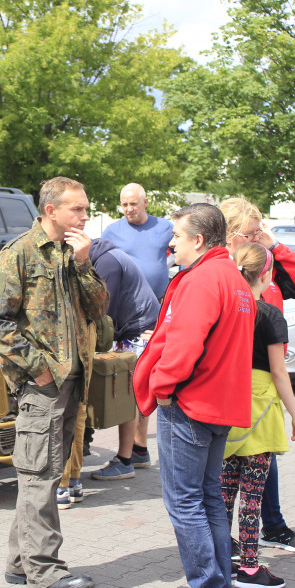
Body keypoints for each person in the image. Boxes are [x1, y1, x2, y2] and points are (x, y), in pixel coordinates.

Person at [0, 176, 108, 588]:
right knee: (39, 475)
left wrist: (84, 264)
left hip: (74, 382)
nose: (85, 216)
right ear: (51, 210)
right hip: (42, 387)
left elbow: (98, 308)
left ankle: (20, 562)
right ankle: (46, 575)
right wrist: (38, 373)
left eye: (86, 208)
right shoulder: (18, 254)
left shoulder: (72, 255)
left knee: (45, 474)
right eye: (77, 209)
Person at [133, 203, 254, 588]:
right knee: (208, 499)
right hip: (219, 405)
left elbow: (184, 346)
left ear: (198, 240)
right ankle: (218, 584)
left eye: (178, 237)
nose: (171, 243)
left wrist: (162, 388)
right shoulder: (233, 278)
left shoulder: (203, 279)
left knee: (185, 502)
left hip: (191, 404)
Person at [220, 195, 295, 554]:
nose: (257, 238)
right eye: (251, 233)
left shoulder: (263, 264)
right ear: (231, 235)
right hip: (241, 382)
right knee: (234, 470)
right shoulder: (225, 274)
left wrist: (273, 243)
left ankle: (269, 527)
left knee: (261, 458)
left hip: (264, 381)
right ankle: (240, 544)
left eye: (260, 232)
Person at [56, 238, 159, 508]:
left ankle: (125, 460)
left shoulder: (106, 263)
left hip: (136, 328)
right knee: (135, 392)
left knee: (128, 391)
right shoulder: (110, 255)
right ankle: (138, 451)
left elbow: (101, 310)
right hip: (138, 325)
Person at [98, 183, 173, 471]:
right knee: (136, 383)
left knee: (138, 384)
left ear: (145, 203)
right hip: (128, 312)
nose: (129, 209)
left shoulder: (164, 228)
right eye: (124, 204)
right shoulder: (112, 233)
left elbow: (181, 251)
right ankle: (138, 449)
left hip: (153, 311)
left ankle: (133, 452)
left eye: (134, 204)